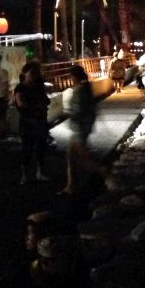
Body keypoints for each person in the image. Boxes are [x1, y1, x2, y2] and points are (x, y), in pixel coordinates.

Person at [59, 65, 101, 195]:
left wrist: (68, 114)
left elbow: (78, 110)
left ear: (74, 77)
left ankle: (105, 172)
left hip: (79, 127)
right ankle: (71, 185)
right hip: (83, 126)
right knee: (71, 156)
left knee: (83, 158)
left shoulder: (80, 91)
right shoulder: (87, 88)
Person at [13, 62, 50, 184]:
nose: (34, 75)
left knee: (41, 147)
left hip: (40, 121)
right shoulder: (20, 87)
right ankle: (25, 175)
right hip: (28, 122)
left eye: (36, 73)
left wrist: (41, 105)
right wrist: (38, 106)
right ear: (25, 73)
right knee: (27, 149)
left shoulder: (39, 86)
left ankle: (40, 172)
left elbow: (46, 100)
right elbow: (20, 103)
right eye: (32, 73)